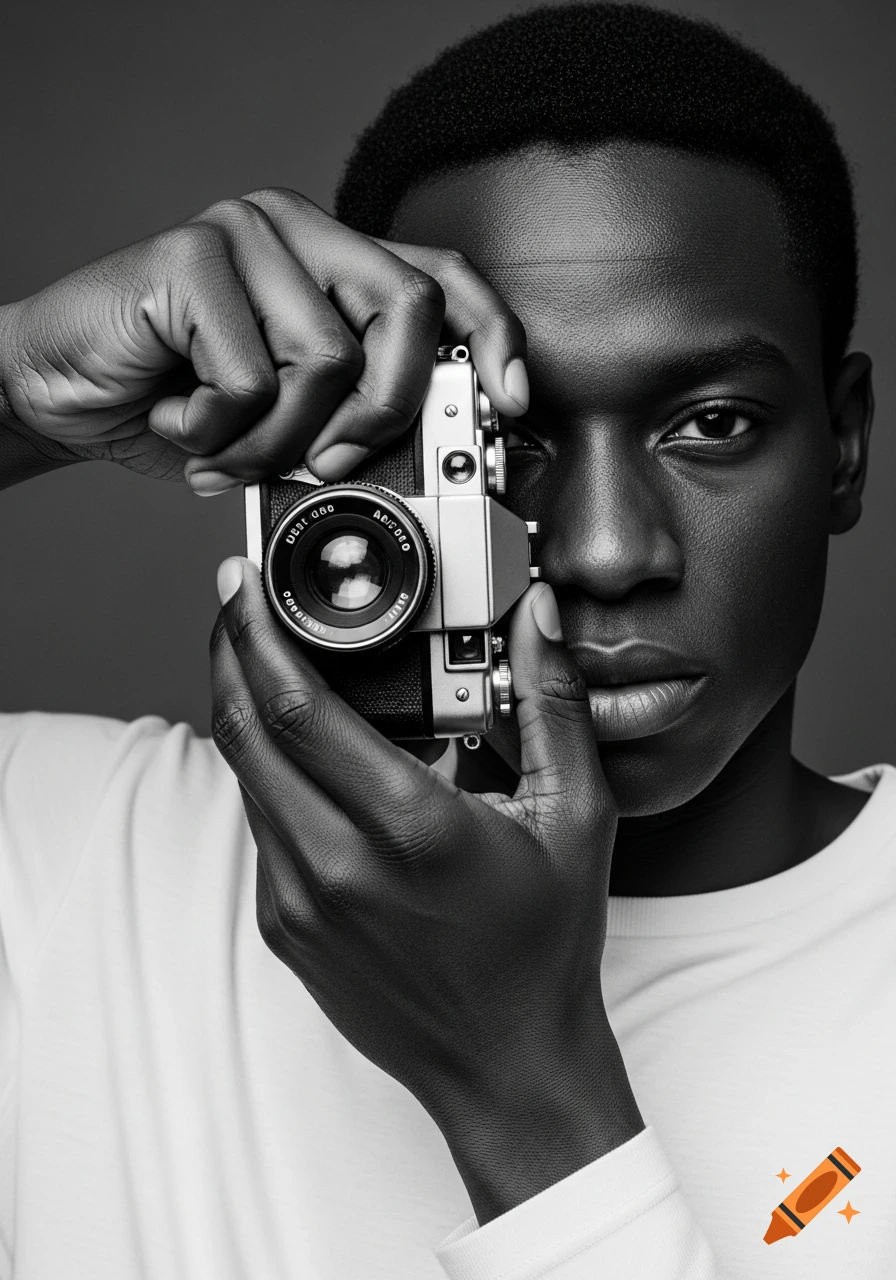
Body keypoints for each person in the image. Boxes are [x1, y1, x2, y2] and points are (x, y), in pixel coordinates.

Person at [0, 2, 891, 1276]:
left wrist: (520, 1081)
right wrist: (15, 391)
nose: (597, 551)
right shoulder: (76, 859)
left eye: (709, 424)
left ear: (843, 444)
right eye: (499, 449)